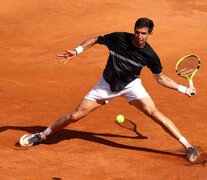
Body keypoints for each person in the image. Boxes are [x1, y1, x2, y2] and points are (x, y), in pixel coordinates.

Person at [20, 17, 199, 162]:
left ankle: (187, 146)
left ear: (150, 34)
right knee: (74, 116)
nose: (139, 36)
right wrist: (77, 50)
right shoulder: (119, 38)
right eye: (137, 32)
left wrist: (183, 89)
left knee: (155, 113)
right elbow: (96, 39)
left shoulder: (150, 55)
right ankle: (41, 135)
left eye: (143, 33)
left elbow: (160, 78)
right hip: (106, 85)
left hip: (130, 86)